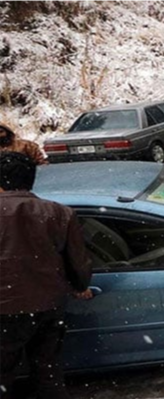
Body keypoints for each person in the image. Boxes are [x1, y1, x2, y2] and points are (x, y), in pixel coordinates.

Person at [0, 151, 93, 399]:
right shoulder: (60, 213)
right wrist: (80, 285)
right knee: (47, 369)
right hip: (48, 305)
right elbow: (78, 263)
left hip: (4, 309)